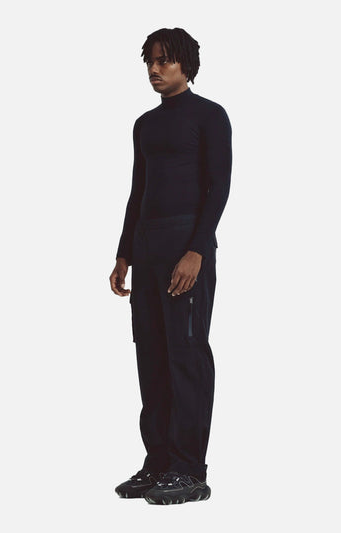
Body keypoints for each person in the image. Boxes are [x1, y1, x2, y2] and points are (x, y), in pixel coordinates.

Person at [109, 27, 232, 505]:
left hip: (186, 249)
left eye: (164, 60)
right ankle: (158, 462)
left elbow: (218, 188)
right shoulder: (144, 124)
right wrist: (124, 253)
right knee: (152, 357)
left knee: (186, 354)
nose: (155, 69)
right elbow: (137, 191)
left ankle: (189, 470)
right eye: (150, 62)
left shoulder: (210, 116)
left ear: (187, 65)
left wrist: (197, 250)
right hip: (148, 248)